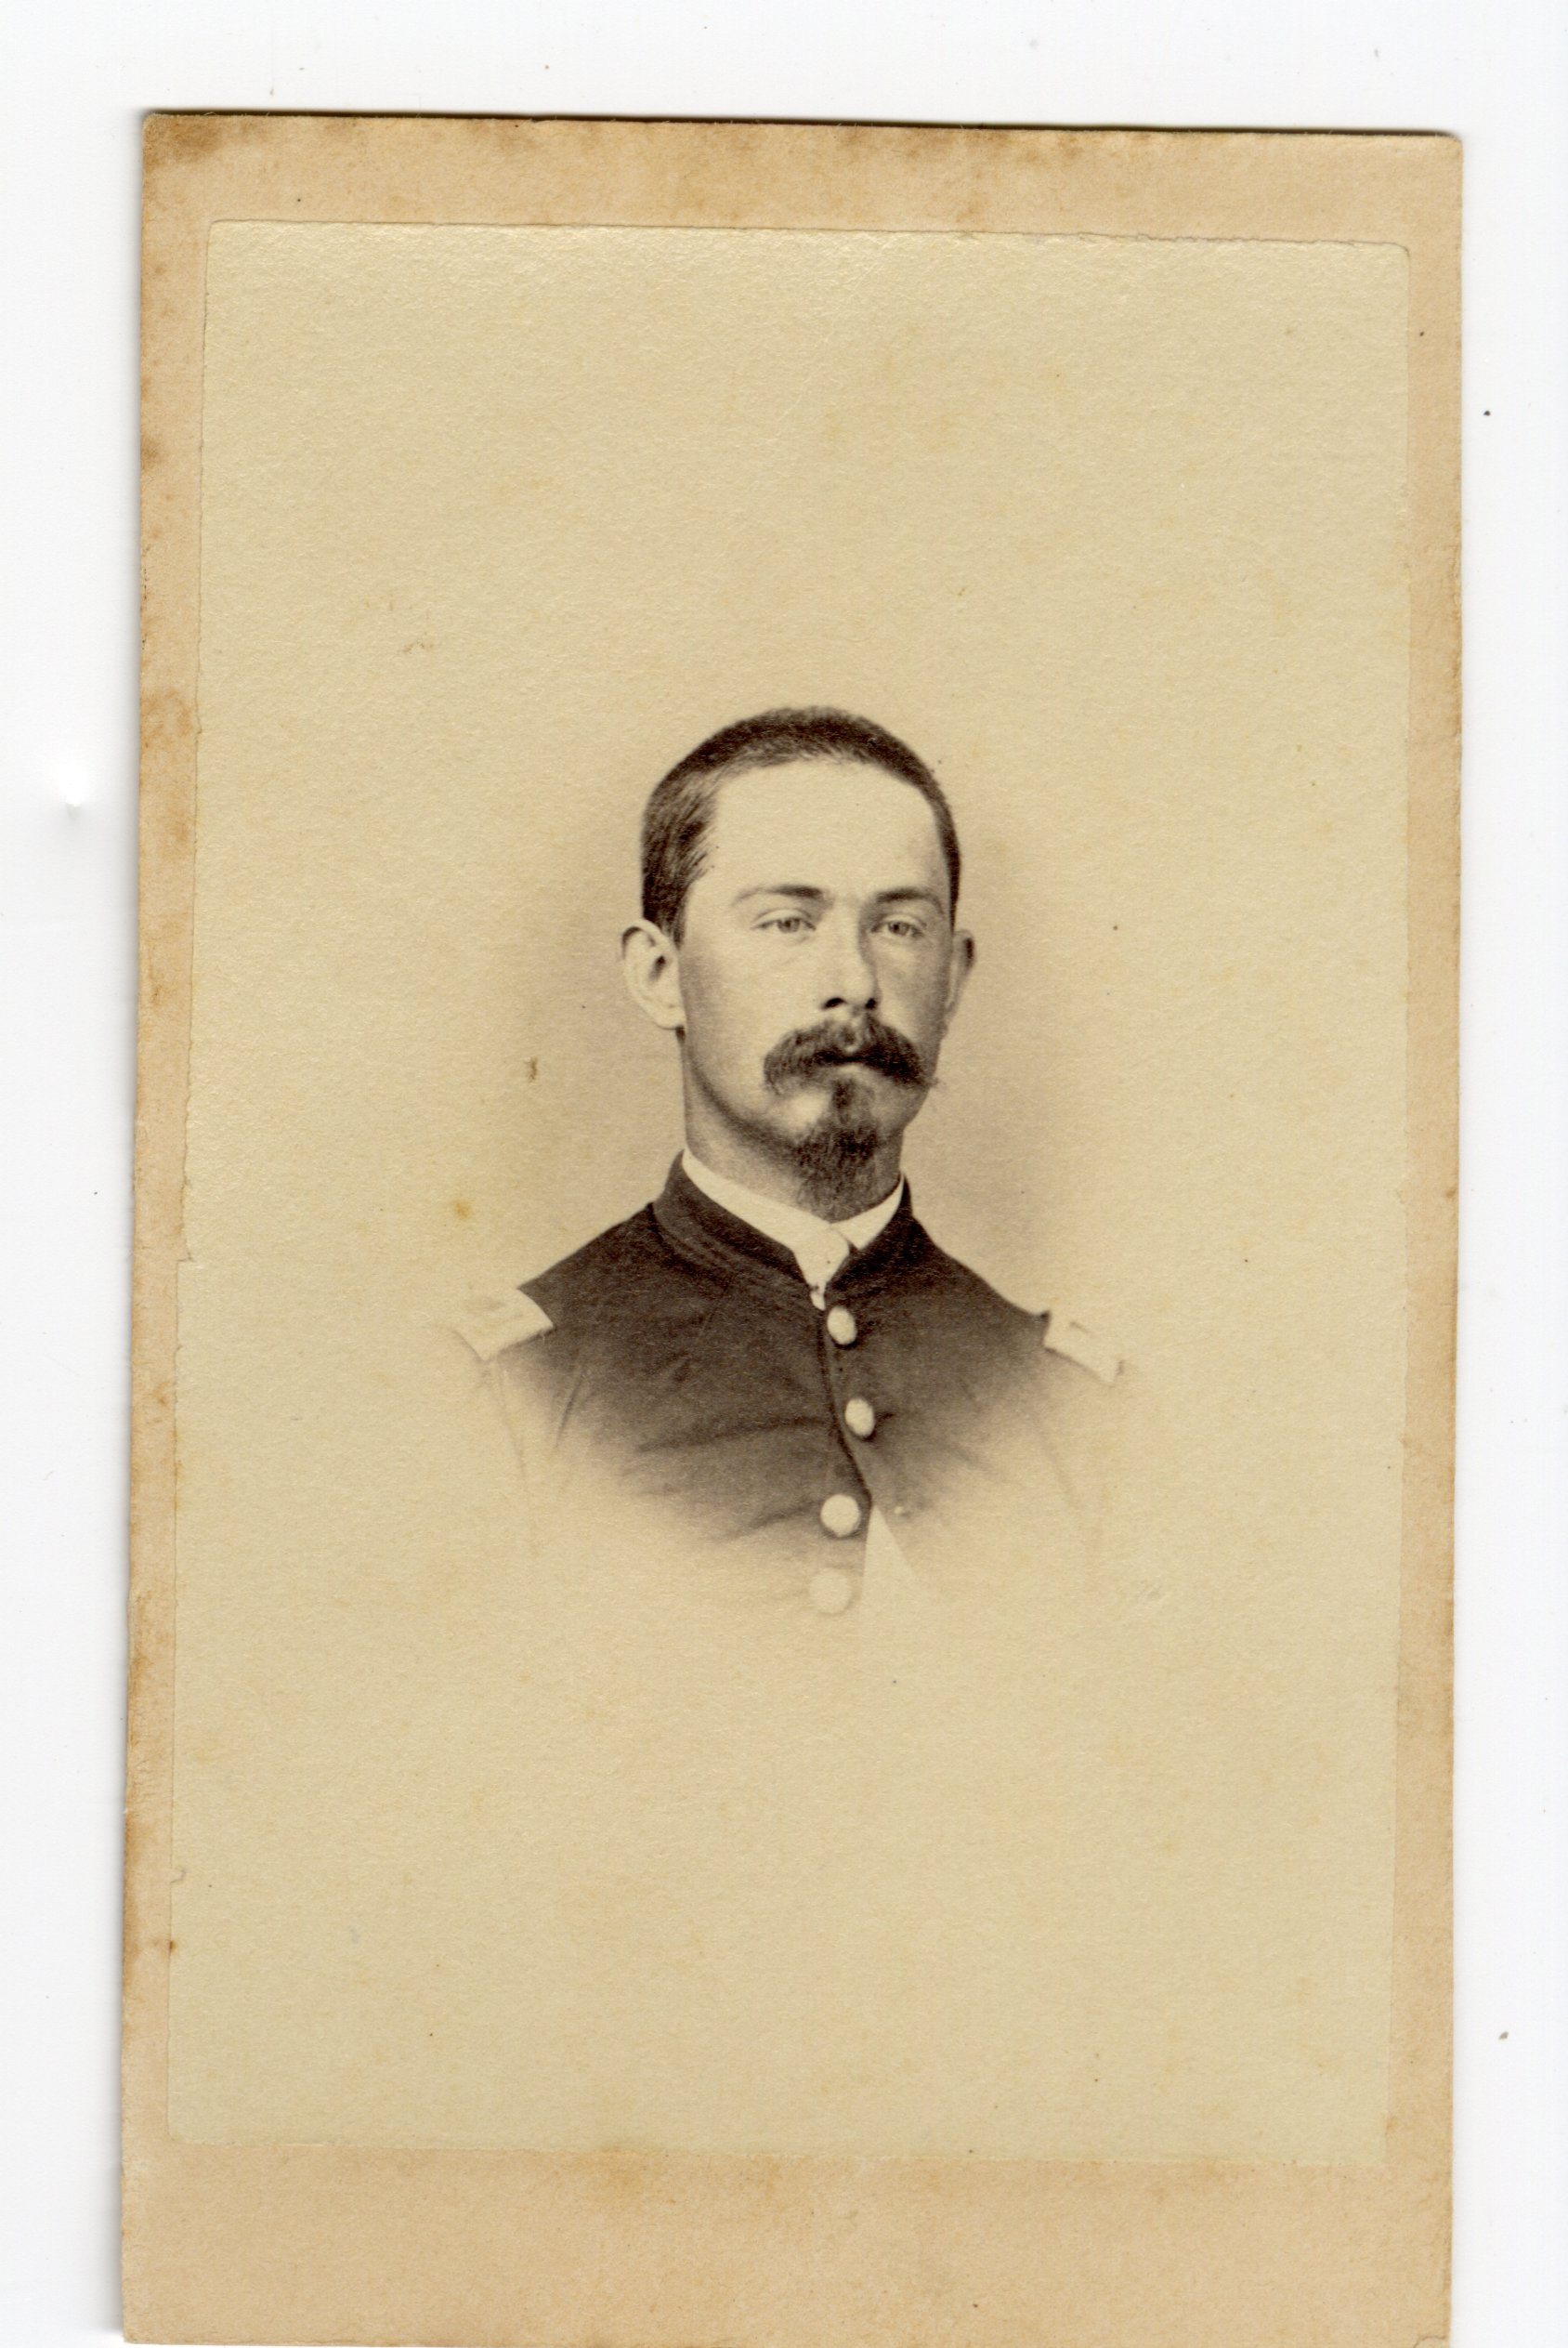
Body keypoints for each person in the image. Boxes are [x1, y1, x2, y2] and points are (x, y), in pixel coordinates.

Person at [454, 706, 1125, 1614]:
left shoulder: (1080, 1412)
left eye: (899, 927)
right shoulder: (506, 1399)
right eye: (786, 922)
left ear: (954, 978)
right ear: (659, 975)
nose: (853, 981)